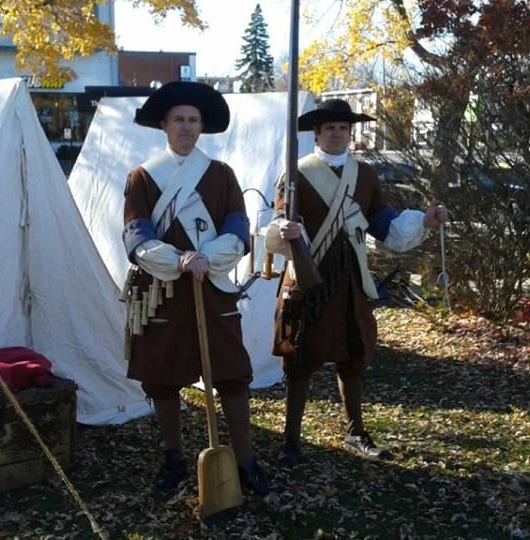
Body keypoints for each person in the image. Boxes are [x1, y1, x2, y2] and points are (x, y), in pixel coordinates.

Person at [265, 99, 448, 464]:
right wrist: (283, 231)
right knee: (299, 359)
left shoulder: (364, 176)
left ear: (350, 134)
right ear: (317, 134)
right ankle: (291, 440)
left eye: (343, 129)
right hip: (309, 276)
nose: (336, 134)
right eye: (329, 128)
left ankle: (355, 431)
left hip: (350, 277)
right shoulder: (295, 175)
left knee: (354, 355)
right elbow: (276, 227)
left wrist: (425, 221)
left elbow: (385, 225)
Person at [122, 81, 269, 495]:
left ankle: (245, 461)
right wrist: (178, 261)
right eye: (178, 120)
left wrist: (207, 258)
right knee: (163, 379)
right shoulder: (143, 177)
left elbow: (238, 229)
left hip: (212, 287)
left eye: (193, 120)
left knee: (233, 376)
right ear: (164, 125)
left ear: (201, 126)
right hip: (163, 291)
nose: (186, 128)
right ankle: (174, 458)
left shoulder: (221, 175)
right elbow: (136, 235)